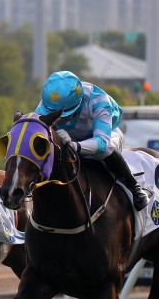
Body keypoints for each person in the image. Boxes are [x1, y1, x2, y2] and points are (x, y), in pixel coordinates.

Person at [36, 70, 149, 211]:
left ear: (78, 103)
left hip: (106, 135)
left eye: (65, 115)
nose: (59, 118)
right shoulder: (49, 103)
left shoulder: (99, 101)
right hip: (72, 138)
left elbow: (101, 143)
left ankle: (135, 188)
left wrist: (73, 146)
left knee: (106, 149)